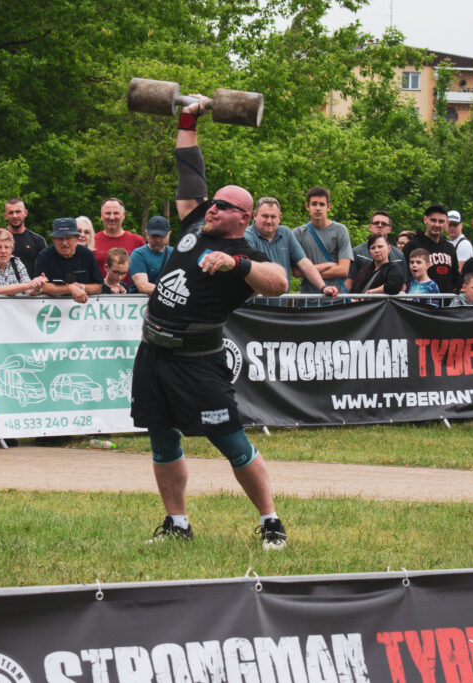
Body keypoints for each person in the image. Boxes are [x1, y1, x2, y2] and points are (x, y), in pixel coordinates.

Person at [131, 94, 289, 550]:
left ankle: (271, 523)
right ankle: (177, 523)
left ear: (244, 218)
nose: (213, 208)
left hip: (197, 362)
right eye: (213, 202)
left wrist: (236, 266)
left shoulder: (244, 253)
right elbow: (189, 169)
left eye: (224, 206)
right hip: (153, 353)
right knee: (162, 440)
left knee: (232, 443)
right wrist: (188, 117)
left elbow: (279, 282)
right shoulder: (196, 223)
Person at [243, 198, 338, 299]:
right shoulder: (246, 236)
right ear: (255, 215)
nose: (269, 221)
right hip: (252, 305)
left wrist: (323, 287)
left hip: (281, 304)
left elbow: (304, 263)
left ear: (280, 217)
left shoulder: (286, 233)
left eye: (273, 217)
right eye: (265, 216)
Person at [292, 187, 352, 295]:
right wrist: (329, 265)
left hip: (336, 297)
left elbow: (343, 270)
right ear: (307, 206)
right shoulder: (298, 233)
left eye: (322, 204)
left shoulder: (340, 230)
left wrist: (308, 272)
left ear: (328, 207)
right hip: (308, 297)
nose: (318, 208)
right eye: (314, 204)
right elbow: (296, 272)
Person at [35, 218, 103, 303]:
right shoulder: (44, 256)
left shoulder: (87, 254)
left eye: (68, 238)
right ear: (53, 240)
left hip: (83, 307)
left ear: (76, 238)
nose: (64, 243)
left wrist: (81, 287)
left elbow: (99, 287)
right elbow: (39, 286)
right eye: (60, 238)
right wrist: (69, 288)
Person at [401, 204, 461, 294]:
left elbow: (455, 275)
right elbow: (403, 275)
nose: (437, 225)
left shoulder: (449, 247)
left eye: (441, 221)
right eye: (433, 220)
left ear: (447, 223)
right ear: (425, 219)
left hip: (446, 300)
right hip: (419, 300)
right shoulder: (412, 245)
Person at [0, 228, 47, 296]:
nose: (3, 251)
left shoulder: (16, 262)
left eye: (7, 247)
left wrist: (37, 287)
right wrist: (28, 285)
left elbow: (28, 290)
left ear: (12, 249)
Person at [93, 198, 145, 282]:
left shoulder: (137, 241)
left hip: (129, 290)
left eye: (116, 213)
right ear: (101, 215)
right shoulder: (92, 241)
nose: (112, 217)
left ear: (123, 215)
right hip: (99, 290)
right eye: (108, 213)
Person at [347, 211, 406, 284]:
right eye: (376, 223)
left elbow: (403, 285)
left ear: (390, 229)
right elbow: (349, 282)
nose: (380, 225)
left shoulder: (399, 255)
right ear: (370, 227)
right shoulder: (357, 252)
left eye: (384, 224)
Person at [130, 215, 174, 294]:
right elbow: (143, 286)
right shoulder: (138, 255)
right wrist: (171, 293)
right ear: (146, 233)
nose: (157, 240)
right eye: (154, 236)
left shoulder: (174, 253)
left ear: (169, 234)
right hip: (142, 301)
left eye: (161, 236)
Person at [3, 198, 46, 278]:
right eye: (11, 213)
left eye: (18, 212)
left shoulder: (38, 240)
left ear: (25, 213)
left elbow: (44, 269)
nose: (15, 216)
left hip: (32, 285)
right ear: (5, 216)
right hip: (5, 285)